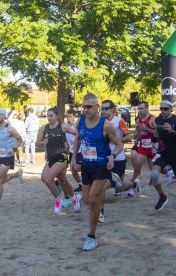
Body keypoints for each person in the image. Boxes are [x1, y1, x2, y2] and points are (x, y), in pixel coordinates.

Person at [70, 93, 126, 251]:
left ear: (97, 107)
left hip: (102, 166)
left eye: (89, 106)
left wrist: (113, 157)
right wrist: (74, 158)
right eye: (84, 106)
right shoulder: (80, 120)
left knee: (93, 201)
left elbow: (119, 144)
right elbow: (77, 139)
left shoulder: (105, 124)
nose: (86, 109)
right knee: (87, 200)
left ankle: (91, 237)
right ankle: (112, 182)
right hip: (87, 165)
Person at [37, 107, 81, 214]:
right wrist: (43, 142)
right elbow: (38, 143)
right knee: (62, 181)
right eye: (47, 116)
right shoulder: (44, 127)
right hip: (51, 158)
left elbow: (78, 134)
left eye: (51, 115)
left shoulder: (63, 127)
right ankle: (74, 198)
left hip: (61, 157)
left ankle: (58, 201)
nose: (49, 118)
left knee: (48, 180)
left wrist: (74, 125)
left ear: (57, 116)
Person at [150, 100, 176, 211]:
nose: (162, 111)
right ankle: (162, 197)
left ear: (171, 109)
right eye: (161, 108)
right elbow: (157, 132)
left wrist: (172, 131)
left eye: (165, 109)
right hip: (163, 152)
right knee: (154, 174)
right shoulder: (158, 119)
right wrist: (154, 142)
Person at [98, 100, 132, 221]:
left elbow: (128, 137)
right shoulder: (100, 121)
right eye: (102, 108)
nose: (104, 110)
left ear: (113, 109)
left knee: (118, 187)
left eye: (106, 108)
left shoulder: (119, 121)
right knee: (101, 183)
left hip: (118, 157)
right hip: (104, 157)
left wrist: (116, 140)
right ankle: (100, 212)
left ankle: (134, 184)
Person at [131, 101, 159, 186]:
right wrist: (137, 138)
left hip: (153, 146)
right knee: (137, 167)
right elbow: (141, 132)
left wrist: (147, 129)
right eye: (138, 108)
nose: (140, 110)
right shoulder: (138, 120)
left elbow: (158, 133)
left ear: (147, 109)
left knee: (156, 167)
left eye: (142, 108)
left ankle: (168, 173)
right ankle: (134, 187)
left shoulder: (153, 119)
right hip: (143, 147)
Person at [65, 109, 83, 194]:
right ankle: (81, 184)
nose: (68, 118)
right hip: (72, 150)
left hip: (80, 149)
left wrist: (73, 124)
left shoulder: (77, 124)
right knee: (72, 169)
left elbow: (80, 133)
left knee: (78, 168)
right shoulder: (65, 125)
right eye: (67, 116)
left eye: (70, 116)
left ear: (74, 116)